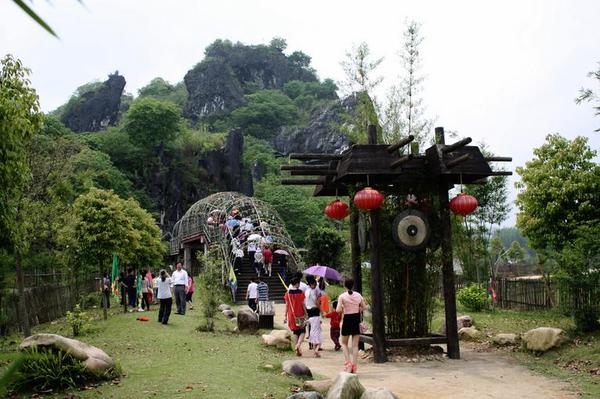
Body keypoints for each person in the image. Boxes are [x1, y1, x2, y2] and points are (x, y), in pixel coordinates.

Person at [336, 277, 365, 374]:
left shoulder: (342, 296)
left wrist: (344, 308)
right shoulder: (358, 295)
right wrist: (357, 310)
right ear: (352, 285)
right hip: (356, 319)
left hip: (347, 320)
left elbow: (338, 310)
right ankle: (355, 366)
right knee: (355, 345)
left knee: (344, 343)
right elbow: (364, 307)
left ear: (344, 285)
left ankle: (348, 364)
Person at [284, 276, 308, 357]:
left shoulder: (287, 293)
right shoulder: (300, 292)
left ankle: (298, 349)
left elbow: (287, 305)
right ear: (297, 284)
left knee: (295, 331)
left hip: (291, 315)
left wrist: (285, 316)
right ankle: (298, 345)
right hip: (300, 314)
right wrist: (306, 314)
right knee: (302, 331)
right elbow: (303, 304)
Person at [305, 276, 321, 350]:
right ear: (311, 284)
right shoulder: (313, 290)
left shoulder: (306, 289)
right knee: (315, 326)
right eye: (314, 284)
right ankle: (315, 343)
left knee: (310, 325)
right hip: (314, 309)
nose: (315, 286)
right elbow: (316, 301)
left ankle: (311, 343)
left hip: (308, 309)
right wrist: (320, 309)